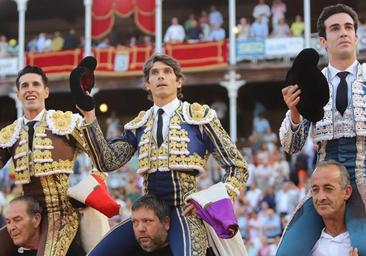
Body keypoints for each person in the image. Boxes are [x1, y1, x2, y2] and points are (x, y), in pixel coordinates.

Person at [80, 53, 248, 256]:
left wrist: (208, 200)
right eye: (155, 73)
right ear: (147, 84)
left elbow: (238, 168)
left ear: (178, 82)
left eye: (167, 72)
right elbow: (107, 161)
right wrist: (89, 116)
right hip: (148, 211)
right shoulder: (138, 125)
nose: (160, 76)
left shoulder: (199, 118)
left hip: (184, 210)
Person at [278, 4, 366, 255]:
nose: (344, 33)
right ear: (324, 41)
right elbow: (291, 146)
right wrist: (294, 111)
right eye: (335, 29)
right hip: (325, 183)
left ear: (356, 36)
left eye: (349, 28)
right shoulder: (310, 82)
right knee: (287, 252)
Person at [0, 65, 98, 256]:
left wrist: (92, 188)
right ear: (18, 93)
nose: (30, 89)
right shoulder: (9, 133)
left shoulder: (66, 123)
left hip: (62, 214)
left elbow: (101, 156)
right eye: (25, 86)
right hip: (27, 216)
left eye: (36, 84)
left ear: (46, 91)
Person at [309, 161, 358, 256]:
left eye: (328, 189)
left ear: (347, 192)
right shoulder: (305, 246)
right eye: (315, 190)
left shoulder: (361, 241)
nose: (321, 197)